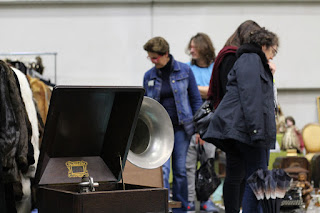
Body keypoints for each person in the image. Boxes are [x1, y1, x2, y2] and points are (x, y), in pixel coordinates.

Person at [203, 27, 279, 212]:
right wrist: (256, 131)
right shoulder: (251, 59)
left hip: (249, 130)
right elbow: (251, 96)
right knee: (257, 178)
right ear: (264, 45)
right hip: (248, 131)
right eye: (273, 51)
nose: (273, 56)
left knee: (255, 178)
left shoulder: (252, 60)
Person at [143, 37, 203, 213]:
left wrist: (199, 129)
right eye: (150, 58)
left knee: (180, 171)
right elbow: (145, 105)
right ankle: (163, 208)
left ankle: (181, 208)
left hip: (181, 129)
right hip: (158, 132)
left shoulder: (185, 71)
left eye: (155, 58)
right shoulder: (149, 76)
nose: (153, 61)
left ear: (166, 55)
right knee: (161, 171)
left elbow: (195, 99)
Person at [184, 33, 219, 212]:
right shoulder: (188, 70)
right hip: (192, 126)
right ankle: (189, 202)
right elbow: (193, 95)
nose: (191, 50)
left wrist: (198, 89)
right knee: (189, 166)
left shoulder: (215, 67)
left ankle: (206, 200)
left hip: (211, 126)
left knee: (208, 164)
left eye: (194, 47)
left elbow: (216, 92)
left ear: (203, 47)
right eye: (190, 47)